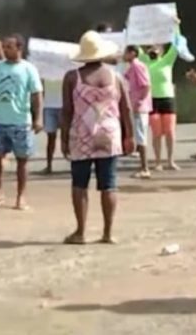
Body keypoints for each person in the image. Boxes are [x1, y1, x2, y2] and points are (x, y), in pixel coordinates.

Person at [61, 31, 134, 244]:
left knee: (79, 183)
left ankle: (81, 232)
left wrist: (64, 138)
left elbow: (66, 111)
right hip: (109, 134)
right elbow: (126, 109)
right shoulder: (116, 77)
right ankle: (108, 233)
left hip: (82, 135)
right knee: (109, 184)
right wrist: (129, 135)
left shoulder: (72, 77)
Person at [0, 32, 43, 210]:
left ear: (19, 48)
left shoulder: (28, 69)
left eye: (9, 46)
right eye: (4, 46)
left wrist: (38, 117)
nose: (5, 49)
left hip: (21, 122)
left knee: (22, 160)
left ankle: (21, 196)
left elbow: (37, 95)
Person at [140, 33, 181, 171]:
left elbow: (177, 43)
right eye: (151, 47)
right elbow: (133, 42)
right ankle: (158, 161)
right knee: (156, 132)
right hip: (152, 100)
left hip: (167, 99)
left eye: (157, 47)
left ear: (162, 50)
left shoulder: (167, 61)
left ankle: (170, 160)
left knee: (169, 131)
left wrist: (176, 26)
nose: (154, 49)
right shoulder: (144, 60)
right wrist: (132, 25)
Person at [123, 45, 152, 178]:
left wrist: (139, 101)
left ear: (132, 53)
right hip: (136, 105)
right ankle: (142, 167)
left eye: (126, 53)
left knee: (141, 137)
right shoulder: (132, 67)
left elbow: (146, 85)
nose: (124, 55)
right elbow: (126, 77)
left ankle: (145, 168)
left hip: (139, 107)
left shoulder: (137, 66)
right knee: (139, 135)